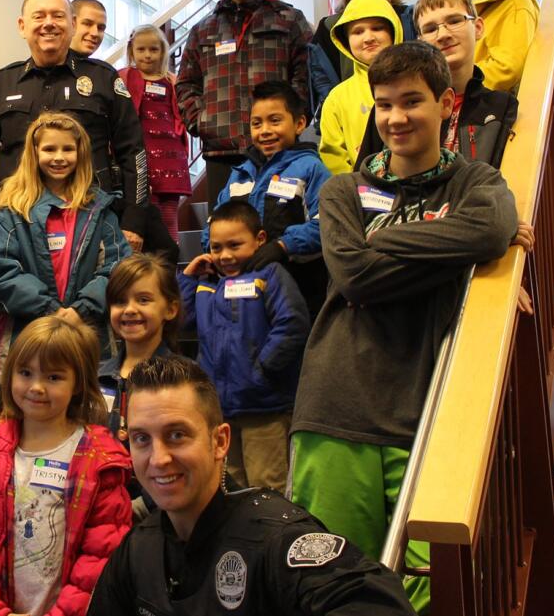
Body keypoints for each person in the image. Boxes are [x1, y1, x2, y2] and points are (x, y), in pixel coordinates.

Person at [287, 42, 533, 610]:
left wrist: (385, 242)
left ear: (446, 103)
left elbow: (492, 229)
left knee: (427, 594)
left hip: (428, 414)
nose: (396, 118)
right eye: (384, 105)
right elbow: (353, 277)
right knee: (332, 586)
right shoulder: (344, 190)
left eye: (412, 102)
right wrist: (456, 249)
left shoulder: (477, 184)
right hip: (338, 409)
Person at [87, 356, 417, 615]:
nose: (158, 459)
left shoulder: (275, 539)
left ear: (220, 442)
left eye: (177, 435)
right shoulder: (138, 549)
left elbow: (377, 604)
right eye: (142, 439)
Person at [0, 315, 133, 616]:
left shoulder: (100, 461)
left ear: (77, 383)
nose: (36, 387)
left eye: (53, 377)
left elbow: (101, 557)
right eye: (25, 372)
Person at [0, 0, 149, 266]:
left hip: (90, 224)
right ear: (23, 26)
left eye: (58, 15)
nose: (48, 23)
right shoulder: (1, 83)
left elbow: (134, 154)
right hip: (16, 225)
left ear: (71, 24)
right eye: (39, 16)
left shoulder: (102, 79)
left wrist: (134, 220)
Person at [180, 200, 310, 493]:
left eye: (235, 245)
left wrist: (261, 370)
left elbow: (293, 323)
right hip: (221, 409)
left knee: (268, 486)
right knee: (229, 485)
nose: (225, 255)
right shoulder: (207, 283)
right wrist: (188, 277)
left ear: (259, 240)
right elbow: (182, 319)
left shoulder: (269, 276)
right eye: (216, 247)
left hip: (264, 406)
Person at [176, 0, 314, 201]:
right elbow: (185, 84)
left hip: (278, 149)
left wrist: (290, 117)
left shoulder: (289, 20)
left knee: (279, 226)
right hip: (222, 151)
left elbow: (306, 74)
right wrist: (202, 121)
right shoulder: (203, 30)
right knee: (226, 234)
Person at [0, 112, 132, 350]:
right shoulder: (11, 210)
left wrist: (81, 309)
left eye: (68, 149)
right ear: (34, 152)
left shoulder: (99, 208)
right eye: (49, 149)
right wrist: (48, 309)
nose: (59, 157)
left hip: (90, 335)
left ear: (80, 153)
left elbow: (118, 268)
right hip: (30, 335)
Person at [356, 0, 519, 170]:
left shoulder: (501, 106)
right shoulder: (392, 106)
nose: (443, 35)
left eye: (455, 20)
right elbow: (362, 179)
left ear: (478, 27)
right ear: (421, 41)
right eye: (431, 28)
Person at [210, 80, 332, 312]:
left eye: (274, 121)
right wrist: (215, 250)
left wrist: (283, 245)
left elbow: (326, 225)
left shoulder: (311, 169)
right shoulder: (240, 174)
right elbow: (214, 222)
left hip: (299, 290)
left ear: (299, 123)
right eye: (257, 123)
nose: (265, 131)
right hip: (245, 292)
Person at [309, 0, 415, 118]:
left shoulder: (410, 17)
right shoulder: (329, 27)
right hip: (351, 114)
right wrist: (336, 109)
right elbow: (322, 77)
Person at [100, 254, 186, 447]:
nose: (129, 309)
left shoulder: (184, 378)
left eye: (143, 300)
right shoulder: (98, 377)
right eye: (120, 301)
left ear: (170, 309)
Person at [118, 24, 192, 242]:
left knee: (169, 216)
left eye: (153, 50)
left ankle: (171, 265)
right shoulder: (123, 77)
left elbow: (180, 115)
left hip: (171, 160)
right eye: (141, 50)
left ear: (162, 51)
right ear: (132, 51)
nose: (147, 55)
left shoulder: (171, 81)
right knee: (143, 215)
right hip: (141, 159)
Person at [316, 0, 402, 175]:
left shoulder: (416, 83)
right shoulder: (337, 98)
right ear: (345, 41)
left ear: (394, 29)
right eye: (358, 31)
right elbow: (333, 157)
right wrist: (354, 192)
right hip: (360, 195)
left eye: (377, 28)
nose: (368, 37)